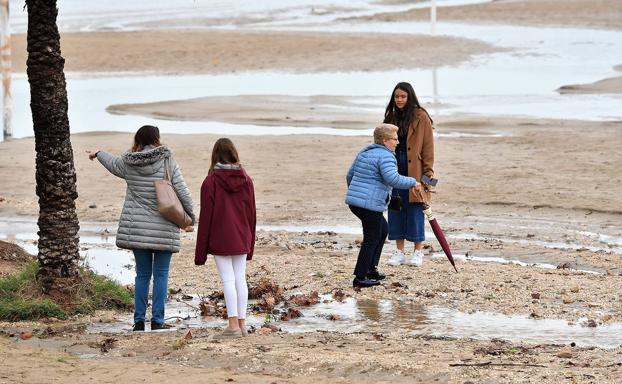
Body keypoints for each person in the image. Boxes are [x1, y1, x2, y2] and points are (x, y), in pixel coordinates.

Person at [87, 125, 195, 332]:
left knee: (142, 275)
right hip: (164, 227)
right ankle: (157, 321)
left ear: (138, 140)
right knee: (161, 274)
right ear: (157, 139)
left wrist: (98, 153)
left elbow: (111, 163)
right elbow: (182, 191)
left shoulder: (129, 163)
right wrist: (190, 219)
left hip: (137, 228)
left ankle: (138, 321)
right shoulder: (167, 160)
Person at [195, 138, 256, 339]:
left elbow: (205, 218)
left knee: (229, 280)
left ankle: (233, 326)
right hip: (241, 236)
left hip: (220, 237)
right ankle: (242, 324)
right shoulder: (246, 179)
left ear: (215, 156)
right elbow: (251, 214)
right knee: (240, 279)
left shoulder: (210, 181)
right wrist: (250, 244)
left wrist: (200, 253)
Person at [346, 124, 420, 288]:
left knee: (382, 230)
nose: (397, 142)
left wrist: (356, 194)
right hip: (368, 205)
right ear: (385, 140)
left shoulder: (366, 152)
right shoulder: (386, 156)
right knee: (372, 237)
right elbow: (393, 179)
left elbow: (349, 175)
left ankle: (371, 269)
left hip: (356, 203)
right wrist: (413, 182)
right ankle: (359, 277)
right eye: (395, 139)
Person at [383, 82, 435, 267]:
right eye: (397, 96)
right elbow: (383, 143)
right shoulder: (390, 116)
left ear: (410, 97)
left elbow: (428, 148)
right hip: (393, 167)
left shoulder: (421, 116)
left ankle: (418, 252)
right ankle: (399, 252)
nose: (399, 100)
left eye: (403, 96)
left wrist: (428, 176)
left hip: (416, 169)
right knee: (395, 207)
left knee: (415, 209)